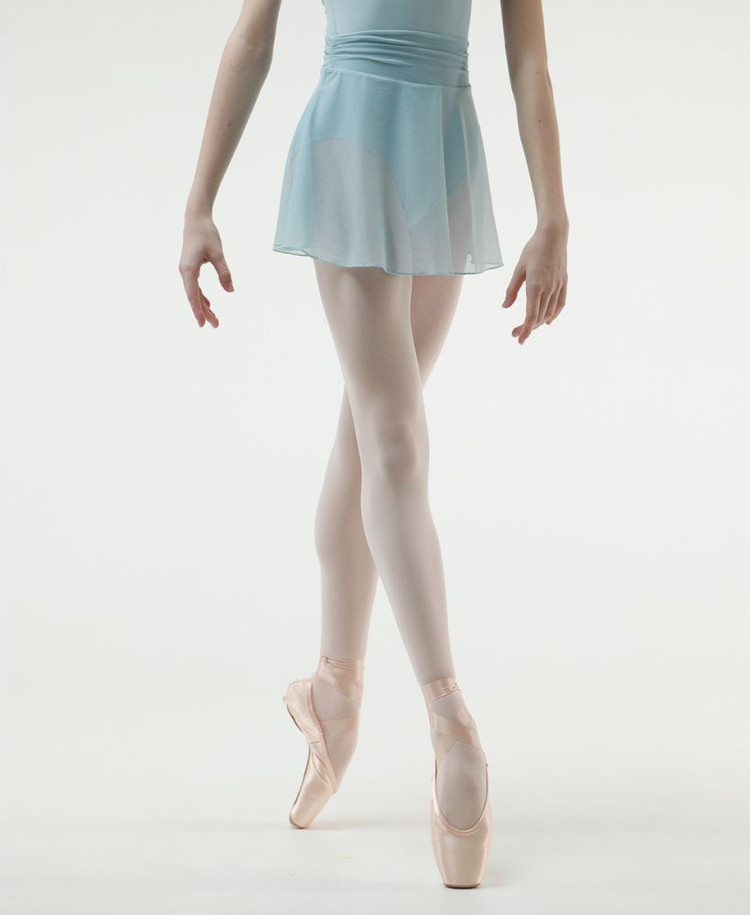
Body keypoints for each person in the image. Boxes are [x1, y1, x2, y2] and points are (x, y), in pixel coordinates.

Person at [179, 0, 568, 889]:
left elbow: (528, 58)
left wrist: (555, 216)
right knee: (393, 439)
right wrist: (198, 203)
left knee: (367, 438)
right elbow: (253, 32)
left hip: (445, 150)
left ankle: (334, 692)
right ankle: (451, 724)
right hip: (353, 140)